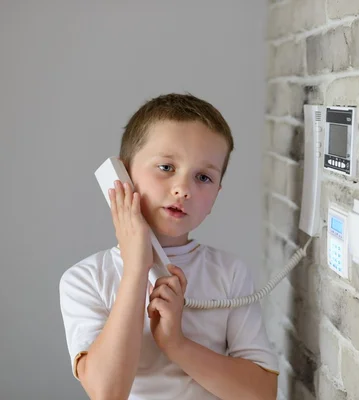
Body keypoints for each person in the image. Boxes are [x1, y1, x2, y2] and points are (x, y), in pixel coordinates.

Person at [59, 93, 278, 400]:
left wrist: (177, 344)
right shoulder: (84, 279)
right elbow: (107, 393)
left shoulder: (230, 273)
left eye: (203, 177)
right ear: (123, 177)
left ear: (216, 194)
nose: (183, 189)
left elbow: (262, 393)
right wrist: (137, 268)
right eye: (165, 167)